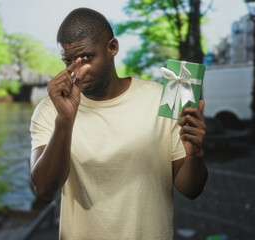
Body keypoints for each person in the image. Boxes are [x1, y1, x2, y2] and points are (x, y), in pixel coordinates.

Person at [29, 8, 208, 239]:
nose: (76, 71)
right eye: (67, 61)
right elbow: (44, 191)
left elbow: (191, 190)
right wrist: (64, 120)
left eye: (87, 57)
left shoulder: (161, 100)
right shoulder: (49, 109)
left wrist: (195, 155)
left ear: (112, 48)